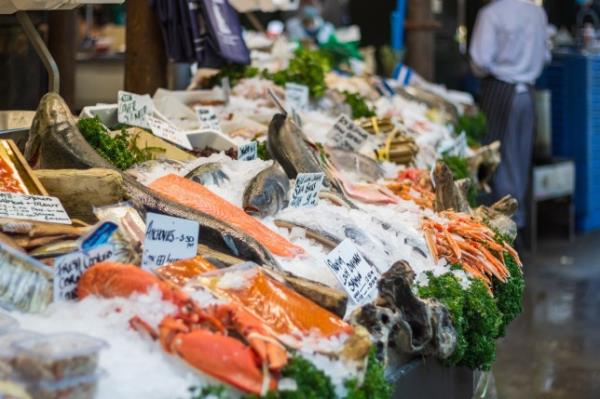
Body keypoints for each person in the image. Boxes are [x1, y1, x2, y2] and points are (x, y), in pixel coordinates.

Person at [470, 0, 550, 230]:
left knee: (496, 159)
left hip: (501, 91)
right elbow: (545, 56)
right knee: (521, 160)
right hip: (528, 95)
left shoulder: (492, 14)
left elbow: (480, 60)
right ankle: (518, 223)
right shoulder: (537, 13)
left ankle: (502, 229)